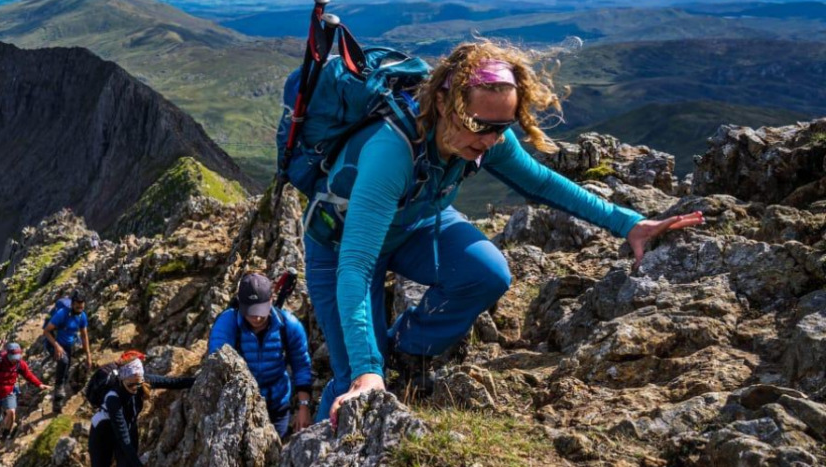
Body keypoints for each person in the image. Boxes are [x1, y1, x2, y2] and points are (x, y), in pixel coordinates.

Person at [301, 39, 705, 423]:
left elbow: (542, 183)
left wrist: (629, 223)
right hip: (340, 248)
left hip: (414, 226)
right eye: (479, 125)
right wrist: (367, 371)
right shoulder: (392, 152)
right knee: (354, 379)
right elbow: (355, 265)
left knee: (486, 273)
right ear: (443, 103)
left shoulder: (487, 132)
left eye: (502, 127)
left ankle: (406, 352)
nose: (490, 139)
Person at [207, 272, 314, 438]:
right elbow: (216, 363)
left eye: (261, 310)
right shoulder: (227, 324)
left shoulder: (289, 325)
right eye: (250, 311)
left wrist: (304, 407)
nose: (257, 317)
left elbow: (301, 365)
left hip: (278, 406)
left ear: (271, 300)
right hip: (239, 407)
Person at [88, 354, 194, 467]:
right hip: (103, 431)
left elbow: (172, 382)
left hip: (129, 426)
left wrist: (199, 379)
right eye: (130, 385)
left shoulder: (143, 380)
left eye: (138, 384)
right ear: (122, 380)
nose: (135, 388)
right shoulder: (113, 398)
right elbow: (123, 436)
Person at [0, 342, 46, 441]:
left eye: (17, 357)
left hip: (8, 392)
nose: (15, 360)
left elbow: (28, 374)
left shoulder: (19, 363)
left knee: (11, 412)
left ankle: (6, 434)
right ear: (7, 354)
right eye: (13, 357)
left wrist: (39, 384)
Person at [43, 289, 93, 413]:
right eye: (77, 306)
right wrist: (56, 346)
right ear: (72, 303)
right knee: (64, 362)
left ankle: (57, 405)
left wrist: (88, 355)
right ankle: (59, 389)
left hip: (68, 345)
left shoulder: (82, 316)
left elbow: (84, 335)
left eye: (82, 306)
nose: (79, 308)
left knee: (65, 372)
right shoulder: (62, 313)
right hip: (53, 343)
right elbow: (46, 331)